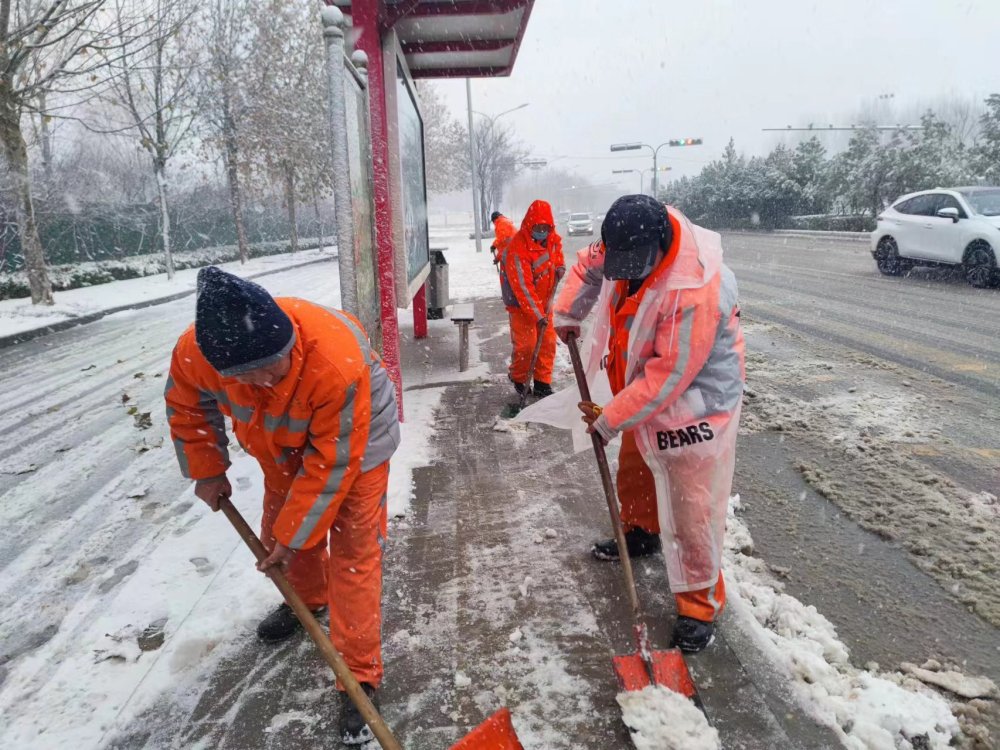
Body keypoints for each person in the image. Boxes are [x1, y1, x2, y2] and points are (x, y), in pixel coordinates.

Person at [164, 267, 399, 745]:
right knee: (282, 533)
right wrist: (207, 468)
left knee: (353, 553)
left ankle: (359, 675)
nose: (276, 372)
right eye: (260, 371)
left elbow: (333, 464)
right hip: (280, 444)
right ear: (226, 370)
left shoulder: (334, 362)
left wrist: (296, 535)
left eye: (281, 359)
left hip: (358, 441)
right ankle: (307, 602)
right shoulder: (197, 353)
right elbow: (187, 407)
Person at [554, 194, 745, 653]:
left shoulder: (693, 289)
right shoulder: (629, 240)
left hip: (698, 402)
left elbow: (669, 375)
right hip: (645, 385)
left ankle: (699, 606)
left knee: (692, 505)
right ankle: (641, 530)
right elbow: (588, 266)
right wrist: (567, 312)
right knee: (638, 462)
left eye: (634, 265)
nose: (624, 272)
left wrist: (609, 419)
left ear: (658, 246)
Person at [499, 199, 565, 398]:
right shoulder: (518, 250)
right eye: (538, 227)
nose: (542, 231)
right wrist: (537, 315)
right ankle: (519, 378)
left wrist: (560, 266)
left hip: (545, 303)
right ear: (529, 225)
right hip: (522, 307)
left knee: (547, 343)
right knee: (527, 346)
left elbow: (556, 253)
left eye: (546, 227)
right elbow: (523, 288)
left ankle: (542, 382)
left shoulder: (552, 239)